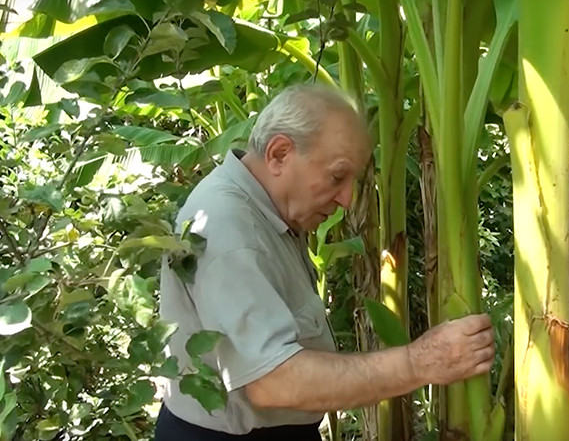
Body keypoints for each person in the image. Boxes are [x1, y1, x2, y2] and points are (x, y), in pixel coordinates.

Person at [153, 83, 496, 440]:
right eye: (337, 176)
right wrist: (420, 362)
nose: (347, 199)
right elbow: (274, 381)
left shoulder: (267, 210)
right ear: (279, 154)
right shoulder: (230, 228)